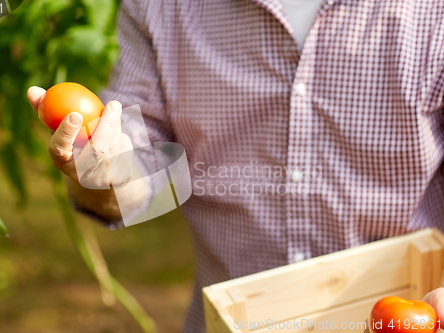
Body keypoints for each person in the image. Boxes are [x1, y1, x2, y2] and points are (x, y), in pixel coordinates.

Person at [27, 0, 444, 332]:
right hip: (229, 322)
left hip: (404, 315)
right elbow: (146, 177)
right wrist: (108, 174)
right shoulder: (161, 7)